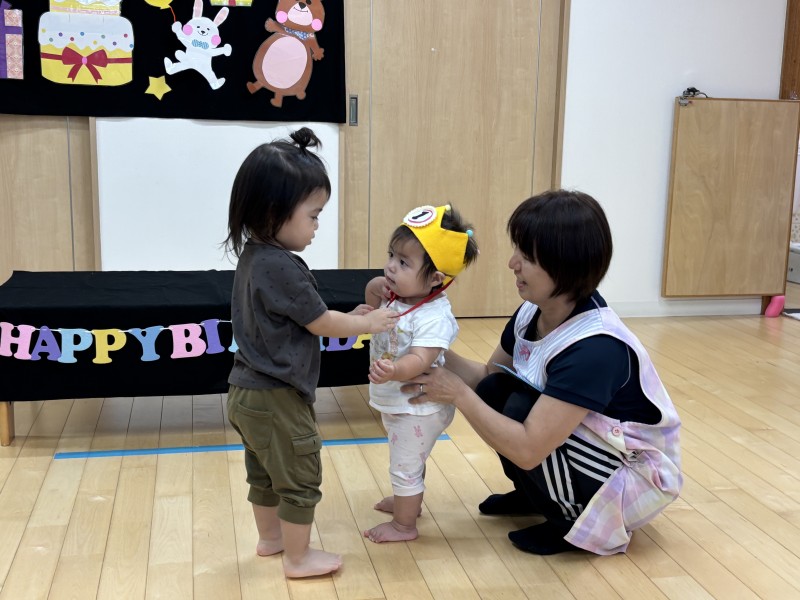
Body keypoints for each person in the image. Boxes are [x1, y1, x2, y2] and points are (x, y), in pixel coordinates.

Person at [404, 189, 682, 556]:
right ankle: (535, 496)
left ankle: (572, 523)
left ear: (565, 265)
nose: (512, 263)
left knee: (518, 410)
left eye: (527, 257)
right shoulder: (533, 311)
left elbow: (528, 448)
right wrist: (428, 348)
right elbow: (487, 376)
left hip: (633, 477)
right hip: (595, 449)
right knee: (496, 390)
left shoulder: (595, 348)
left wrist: (457, 393)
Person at [223, 127, 398, 578]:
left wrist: (351, 316)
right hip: (278, 397)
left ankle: (271, 540)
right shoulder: (280, 265)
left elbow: (300, 319)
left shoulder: (255, 257)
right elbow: (320, 323)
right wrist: (367, 324)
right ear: (273, 211)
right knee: (300, 478)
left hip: (246, 393)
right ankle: (298, 559)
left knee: (264, 473)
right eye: (314, 215)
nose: (318, 225)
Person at [361, 204, 479, 543]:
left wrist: (395, 370)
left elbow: (421, 359)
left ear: (435, 279)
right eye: (391, 255)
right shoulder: (399, 296)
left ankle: (404, 524)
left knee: (405, 465)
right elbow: (372, 301)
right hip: (400, 402)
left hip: (418, 407)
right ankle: (407, 502)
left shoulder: (433, 316)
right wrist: (376, 288)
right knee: (410, 459)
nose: (390, 266)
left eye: (403, 263)